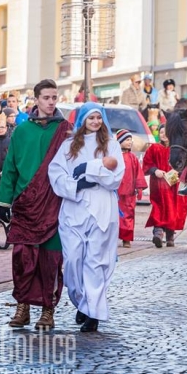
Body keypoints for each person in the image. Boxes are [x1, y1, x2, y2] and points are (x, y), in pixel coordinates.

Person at [0, 79, 73, 330]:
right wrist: (4, 201)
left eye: (54, 97)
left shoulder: (66, 130)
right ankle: (23, 308)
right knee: (22, 258)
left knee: (50, 260)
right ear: (36, 99)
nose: (51, 102)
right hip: (25, 204)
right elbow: (10, 168)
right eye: (47, 98)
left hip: (54, 205)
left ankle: (48, 311)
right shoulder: (21, 131)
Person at [49, 102, 124, 332]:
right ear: (83, 120)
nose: (95, 122)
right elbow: (57, 172)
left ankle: (94, 312)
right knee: (72, 260)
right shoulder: (69, 145)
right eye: (91, 118)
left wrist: (90, 170)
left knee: (96, 262)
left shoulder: (111, 144)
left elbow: (116, 176)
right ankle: (82, 301)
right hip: (74, 207)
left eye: (98, 118)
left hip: (102, 207)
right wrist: (76, 184)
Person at [143, 125, 187, 248]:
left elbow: (185, 164)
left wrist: (177, 173)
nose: (164, 134)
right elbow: (147, 164)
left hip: (174, 183)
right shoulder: (154, 148)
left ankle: (170, 235)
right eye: (161, 132)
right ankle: (158, 232)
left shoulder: (178, 149)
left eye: (166, 132)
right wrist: (155, 170)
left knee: (173, 208)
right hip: (158, 184)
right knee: (159, 207)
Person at [116, 129, 147, 248]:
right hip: (116, 192)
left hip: (129, 193)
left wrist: (139, 188)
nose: (130, 142)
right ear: (120, 141)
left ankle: (126, 239)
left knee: (128, 215)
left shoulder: (133, 158)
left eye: (130, 140)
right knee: (115, 215)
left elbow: (138, 173)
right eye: (127, 140)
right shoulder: (114, 156)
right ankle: (113, 237)